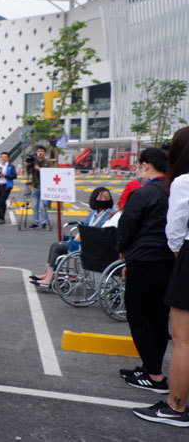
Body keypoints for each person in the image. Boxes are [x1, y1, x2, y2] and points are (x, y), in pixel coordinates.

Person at [134, 127, 189, 426]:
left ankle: (176, 406)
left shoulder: (183, 181)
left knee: (183, 340)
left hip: (187, 258)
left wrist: (180, 256)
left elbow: (175, 233)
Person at [116, 148, 173, 394]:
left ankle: (154, 375)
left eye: (139, 165)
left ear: (146, 166)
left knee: (138, 318)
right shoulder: (174, 191)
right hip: (169, 263)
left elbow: (127, 225)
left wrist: (122, 250)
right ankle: (150, 366)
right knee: (159, 318)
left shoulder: (143, 193)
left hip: (143, 261)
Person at [30, 187, 115, 287]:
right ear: (94, 198)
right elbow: (86, 225)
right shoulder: (93, 213)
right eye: (101, 198)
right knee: (57, 245)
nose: (104, 200)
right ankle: (48, 274)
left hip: (94, 246)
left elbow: (104, 232)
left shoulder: (110, 213)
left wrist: (84, 234)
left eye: (106, 198)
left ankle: (49, 277)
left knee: (57, 246)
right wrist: (81, 233)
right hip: (87, 241)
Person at [28, 145, 53, 229]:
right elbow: (28, 172)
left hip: (45, 187)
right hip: (35, 186)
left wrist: (40, 169)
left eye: (42, 151)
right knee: (35, 205)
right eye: (38, 151)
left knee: (43, 206)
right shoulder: (34, 161)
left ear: (44, 153)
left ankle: (44, 223)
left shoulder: (48, 162)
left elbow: (51, 172)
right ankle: (35, 222)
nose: (40, 152)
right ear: (36, 152)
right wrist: (29, 165)